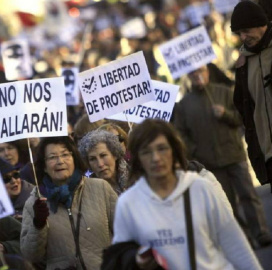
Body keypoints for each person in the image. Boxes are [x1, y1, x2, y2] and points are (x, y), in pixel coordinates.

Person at [112, 119, 262, 269]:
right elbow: (120, 257)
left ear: (174, 150)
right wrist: (137, 260)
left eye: (162, 148)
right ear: (137, 158)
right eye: (146, 152)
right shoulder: (128, 204)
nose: (156, 158)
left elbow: (236, 245)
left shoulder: (200, 188)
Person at [174, 65, 271, 247]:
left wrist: (225, 114)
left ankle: (261, 232)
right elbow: (181, 134)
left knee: (248, 196)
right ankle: (242, 238)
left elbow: (242, 118)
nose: (198, 75)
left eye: (201, 71)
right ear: (188, 76)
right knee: (226, 205)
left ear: (207, 72)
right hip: (210, 164)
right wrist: (194, 151)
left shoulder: (225, 92)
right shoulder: (184, 105)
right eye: (193, 73)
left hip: (234, 155)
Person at [20, 136, 117, 269]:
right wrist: (38, 225)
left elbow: (124, 232)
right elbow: (31, 256)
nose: (60, 161)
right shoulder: (35, 203)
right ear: (44, 166)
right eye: (52, 157)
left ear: (74, 159)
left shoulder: (101, 188)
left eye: (65, 154)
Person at [232, 1, 272, 192]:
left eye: (246, 30)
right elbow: (242, 107)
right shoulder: (243, 63)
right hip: (268, 155)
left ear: (261, 24)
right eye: (239, 33)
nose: (243, 37)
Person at [78, 129, 131, 195]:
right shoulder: (87, 190)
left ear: (115, 154)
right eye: (92, 159)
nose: (100, 164)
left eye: (103, 155)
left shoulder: (136, 176)